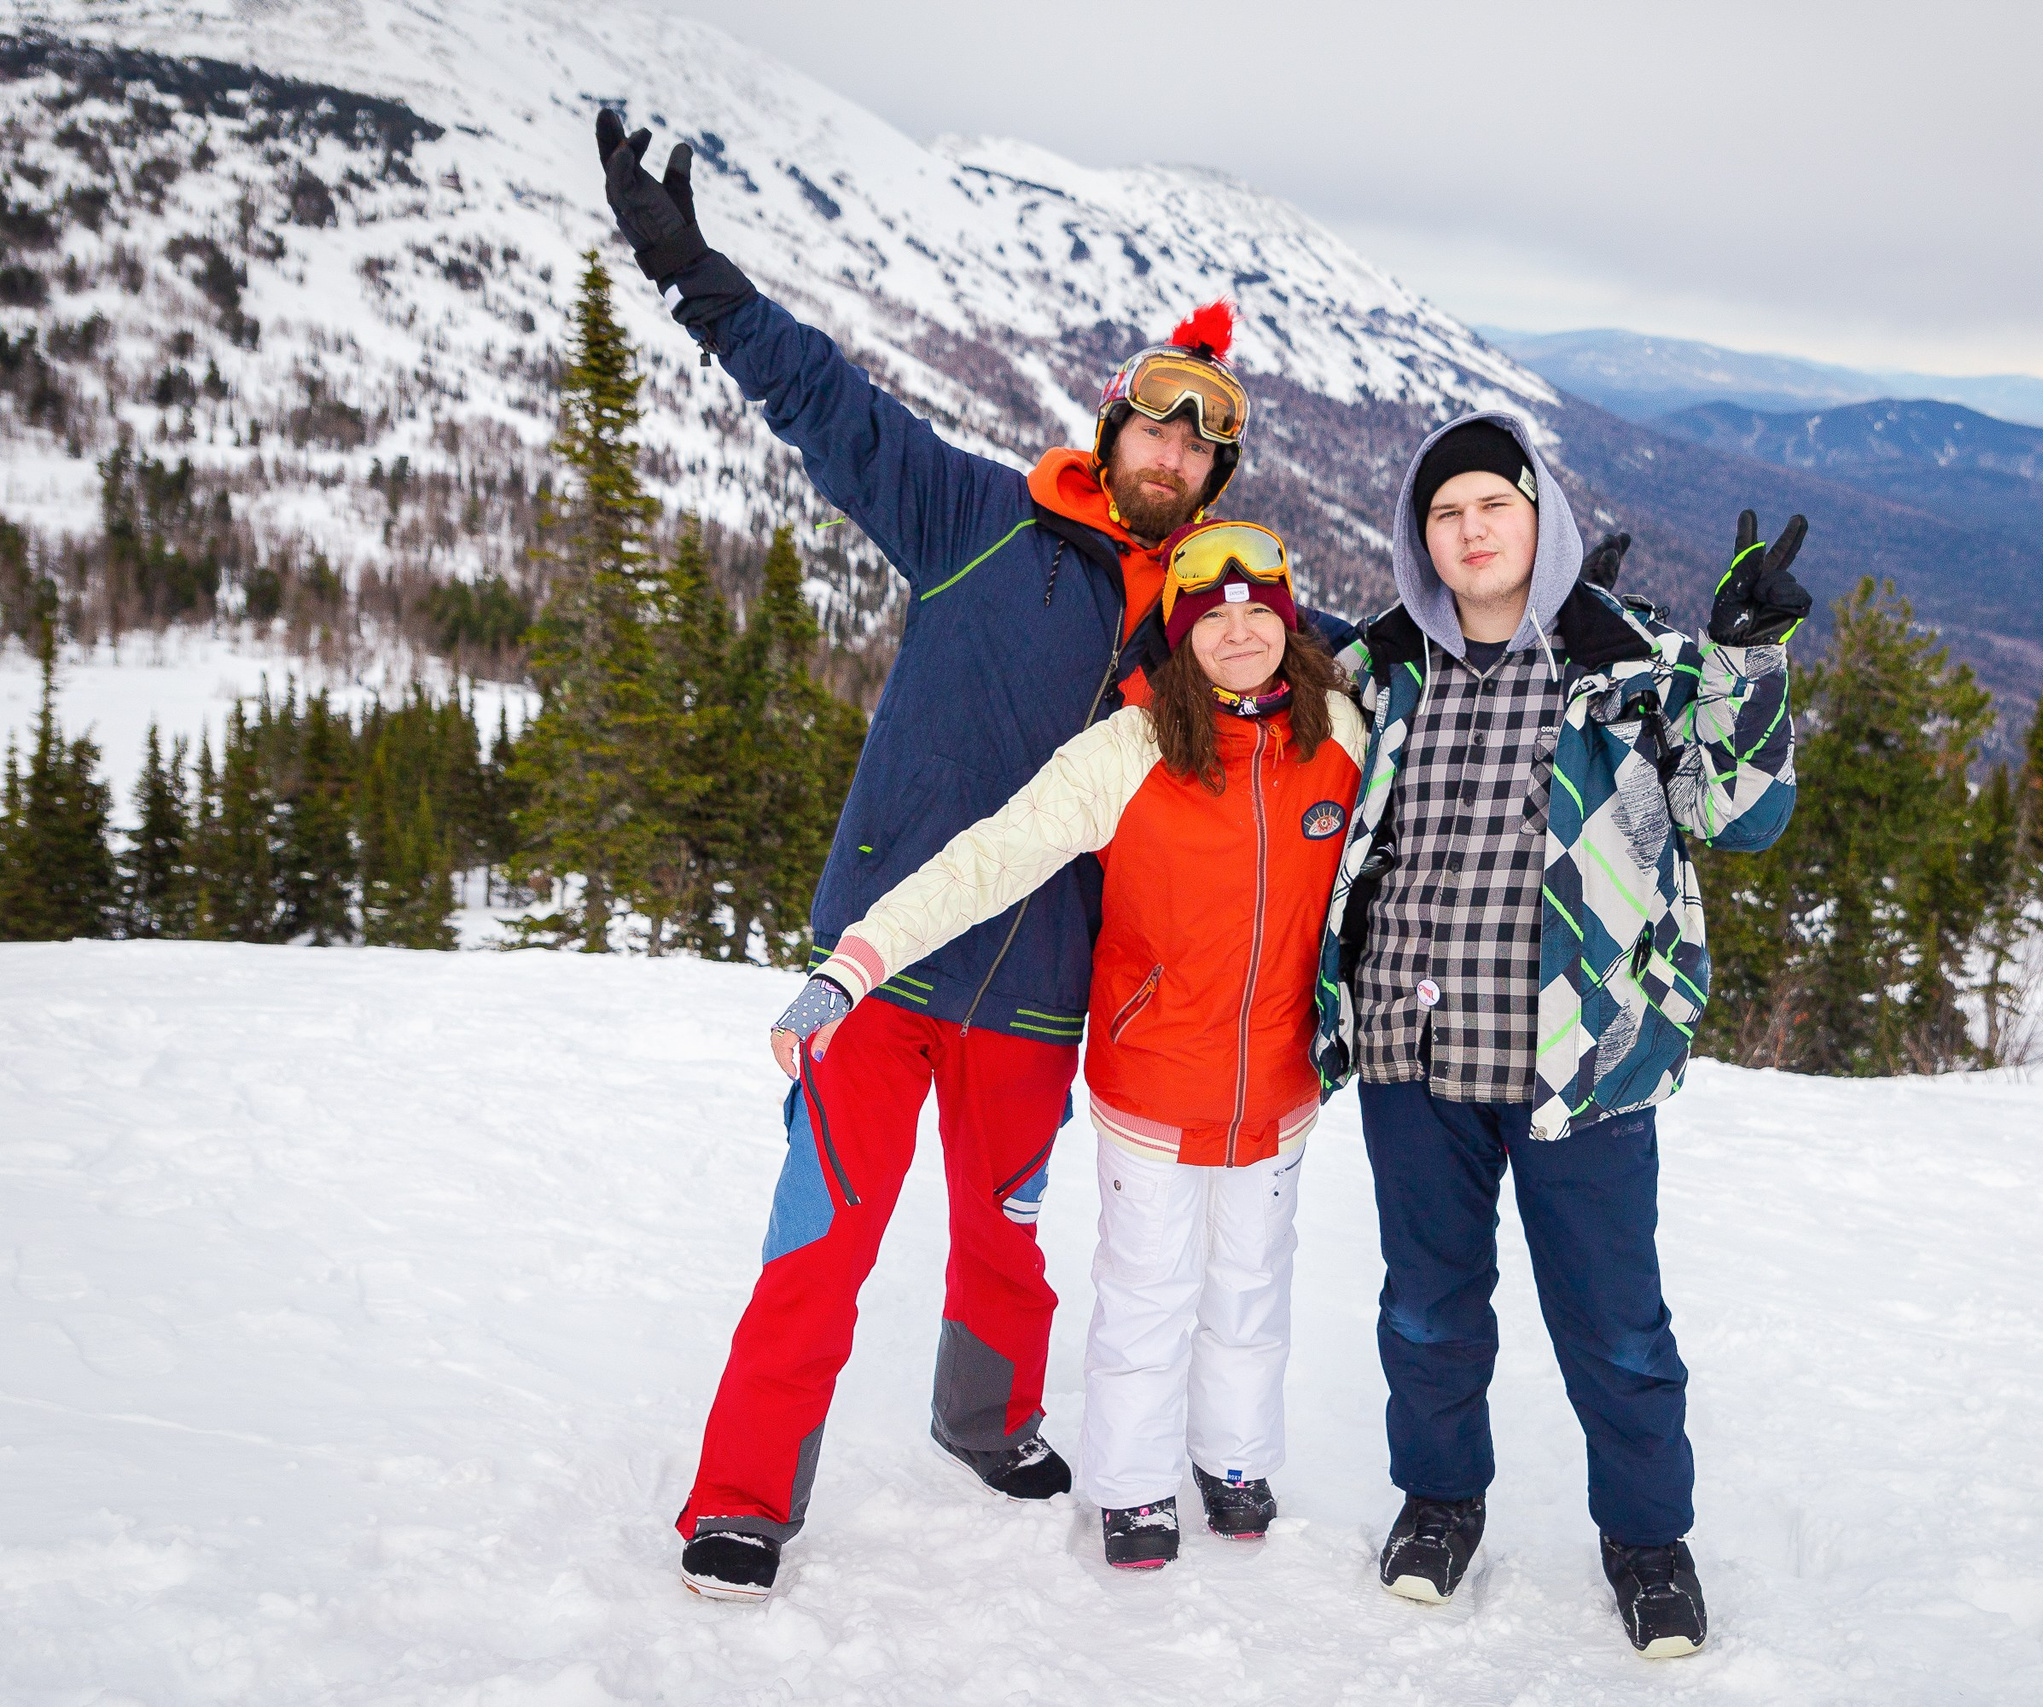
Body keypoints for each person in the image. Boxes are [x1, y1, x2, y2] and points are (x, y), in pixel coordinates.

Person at [588, 112, 1276, 1601]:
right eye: (1155, 420)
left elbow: (1348, 670)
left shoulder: (1211, 620)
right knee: (820, 1240)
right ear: (1114, 428)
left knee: (1008, 1248)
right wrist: (697, 278)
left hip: (1039, 996)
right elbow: (828, 406)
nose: (1170, 452)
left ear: (1214, 476)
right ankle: (744, 1496)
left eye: (1199, 438)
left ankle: (986, 1419)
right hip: (885, 963)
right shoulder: (976, 515)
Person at [1311, 413, 1811, 1657]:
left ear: (1541, 519)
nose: (1470, 531)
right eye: (1444, 514)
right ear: (1417, 540)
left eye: (1493, 505)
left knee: (1615, 1323)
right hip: (1411, 1053)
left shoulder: (1634, 663)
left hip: (1580, 1064)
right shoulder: (1377, 666)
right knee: (1428, 1307)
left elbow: (1738, 815)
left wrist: (1745, 666)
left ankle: (1647, 1541)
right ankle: (1438, 1505)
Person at [774, 521, 1363, 1570]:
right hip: (1151, 1086)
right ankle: (1133, 1489)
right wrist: (855, 961)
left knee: (1251, 1289)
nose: (1237, 631)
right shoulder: (1127, 753)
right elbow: (989, 857)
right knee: (1147, 1293)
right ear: (1178, 637)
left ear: (1289, 623)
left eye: (1257, 611)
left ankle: (1235, 1461)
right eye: (1210, 615)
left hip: (1279, 1087)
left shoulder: (1340, 738)